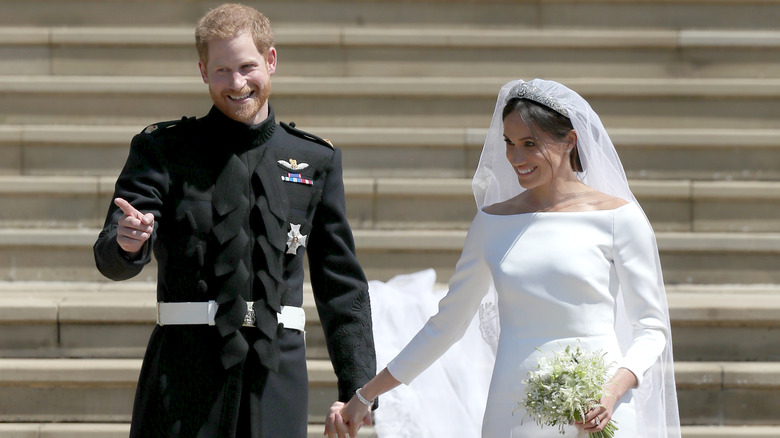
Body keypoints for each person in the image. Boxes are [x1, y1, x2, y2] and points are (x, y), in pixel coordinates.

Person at [326, 79, 680, 438]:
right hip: (513, 411)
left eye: (530, 144)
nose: (515, 158)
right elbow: (446, 324)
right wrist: (365, 395)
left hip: (600, 410)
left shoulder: (620, 217)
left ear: (570, 141)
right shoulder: (492, 223)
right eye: (509, 143)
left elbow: (651, 329)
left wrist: (612, 390)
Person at [93, 4, 377, 437]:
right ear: (203, 71)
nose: (237, 83)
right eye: (222, 70)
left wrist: (357, 388)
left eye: (247, 66)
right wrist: (127, 244)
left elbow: (341, 284)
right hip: (182, 380)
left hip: (276, 381)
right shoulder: (164, 150)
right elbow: (112, 253)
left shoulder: (317, 159)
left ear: (271, 61)